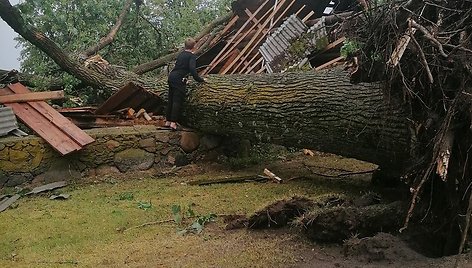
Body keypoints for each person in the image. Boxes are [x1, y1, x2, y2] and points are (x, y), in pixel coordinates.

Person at [165, 38, 206, 130]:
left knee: (171, 100)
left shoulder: (181, 54)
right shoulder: (191, 56)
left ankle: (167, 121)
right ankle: (173, 123)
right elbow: (192, 69)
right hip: (178, 79)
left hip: (172, 77)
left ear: (185, 46)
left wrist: (186, 79)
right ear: (194, 46)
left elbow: (181, 68)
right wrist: (200, 79)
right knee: (177, 101)